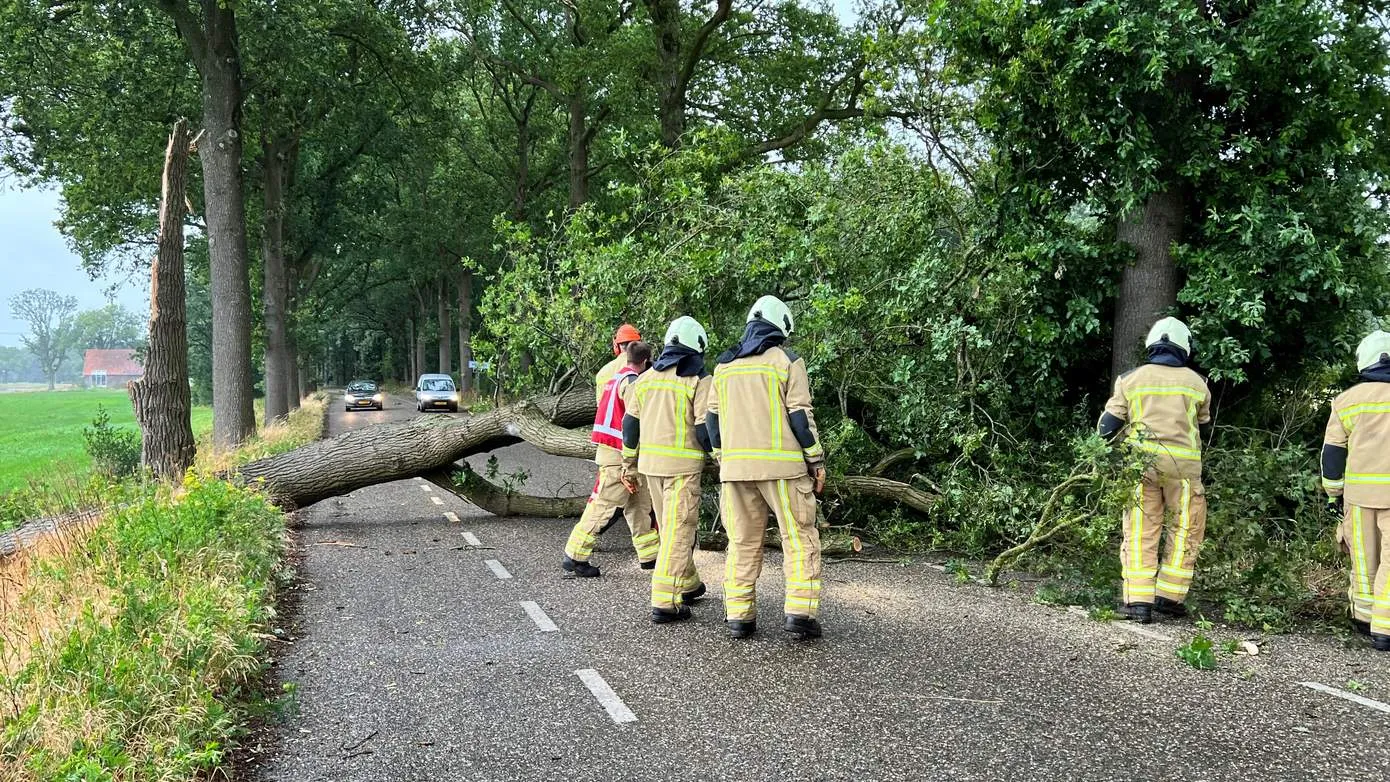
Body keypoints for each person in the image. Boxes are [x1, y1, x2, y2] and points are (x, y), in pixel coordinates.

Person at [706, 296, 827, 640]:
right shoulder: (787, 361)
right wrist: (816, 460)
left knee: (741, 542)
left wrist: (721, 457)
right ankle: (800, 613)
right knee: (799, 538)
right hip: (784, 470)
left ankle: (740, 616)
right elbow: (800, 417)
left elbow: (711, 422)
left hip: (736, 472)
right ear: (781, 328)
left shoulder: (724, 367)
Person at [1098, 317, 1213, 624]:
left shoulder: (1129, 380)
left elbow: (1106, 429)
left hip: (1141, 468)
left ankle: (1138, 602)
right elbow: (1204, 426)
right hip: (1184, 472)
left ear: (1151, 344)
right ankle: (1170, 597)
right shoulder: (1197, 384)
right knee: (1185, 529)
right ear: (1184, 348)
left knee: (1140, 531)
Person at [621, 316, 713, 624]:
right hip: (683, 469)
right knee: (679, 532)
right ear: (696, 347)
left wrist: (628, 464)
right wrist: (718, 456)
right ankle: (664, 600)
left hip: (651, 468)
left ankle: (687, 583)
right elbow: (704, 428)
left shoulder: (646, 379)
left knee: (670, 528)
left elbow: (630, 426)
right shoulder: (698, 380)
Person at [562, 340, 658, 577]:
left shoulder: (615, 378)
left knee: (639, 506)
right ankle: (575, 556)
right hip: (620, 457)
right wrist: (629, 462)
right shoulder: (632, 383)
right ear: (645, 361)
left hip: (615, 452)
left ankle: (650, 557)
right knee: (604, 507)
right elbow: (633, 422)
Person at [1321, 329, 1390, 651]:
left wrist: (1333, 495)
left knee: (1364, 559)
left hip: (1359, 498)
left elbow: (1333, 452)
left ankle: (1364, 619)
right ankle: (1385, 628)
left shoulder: (1347, 400)